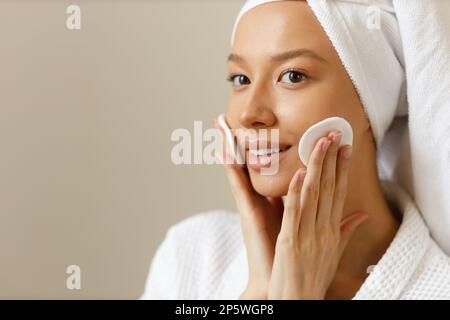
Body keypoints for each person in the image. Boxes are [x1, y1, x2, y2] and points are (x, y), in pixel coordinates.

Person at [141, 0, 450, 299]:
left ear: (370, 103)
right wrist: (259, 293)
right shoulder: (192, 255)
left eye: (292, 76)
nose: (250, 114)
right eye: (241, 78)